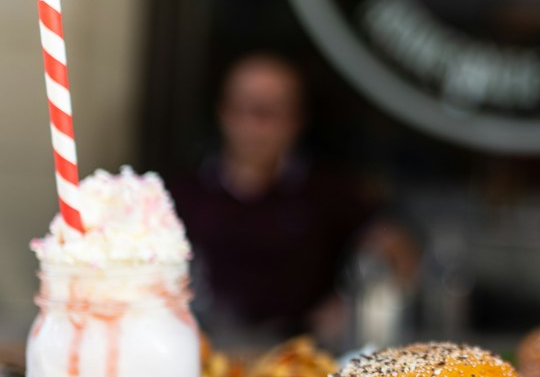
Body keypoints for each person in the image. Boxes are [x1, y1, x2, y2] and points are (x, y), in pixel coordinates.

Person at [170, 53, 417, 345]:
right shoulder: (184, 193)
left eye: (270, 112)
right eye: (244, 109)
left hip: (302, 356)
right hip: (207, 352)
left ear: (296, 120)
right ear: (223, 113)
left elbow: (397, 250)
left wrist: (351, 306)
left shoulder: (328, 190)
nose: (254, 125)